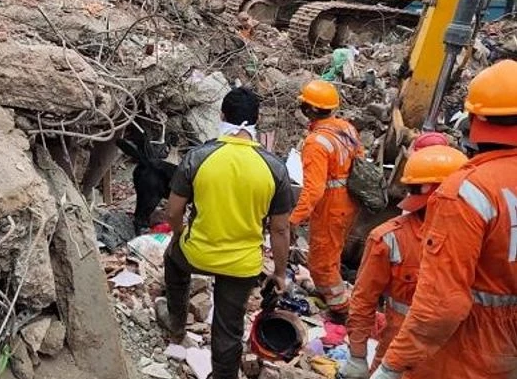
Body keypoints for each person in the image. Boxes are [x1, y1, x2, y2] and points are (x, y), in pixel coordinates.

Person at [371, 59, 517, 379]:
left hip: (462, 353)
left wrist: (392, 365)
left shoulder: (467, 192)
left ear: (475, 119)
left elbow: (442, 306)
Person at [159, 87, 293, 379]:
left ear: (222, 116)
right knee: (228, 327)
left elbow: (173, 212)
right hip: (241, 265)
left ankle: (177, 328)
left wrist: (181, 235)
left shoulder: (198, 157)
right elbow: (280, 228)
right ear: (257, 121)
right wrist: (280, 273)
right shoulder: (275, 168)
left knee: (173, 261)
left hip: (197, 253)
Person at [342, 145, 468, 378]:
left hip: (454, 359)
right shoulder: (389, 238)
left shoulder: (475, 235)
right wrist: (357, 355)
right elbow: (363, 300)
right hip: (398, 356)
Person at [289, 80, 363, 322]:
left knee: (321, 263)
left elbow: (314, 189)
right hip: (349, 204)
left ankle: (344, 312)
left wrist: (293, 219)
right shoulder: (347, 129)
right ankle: (335, 298)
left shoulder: (316, 143)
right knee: (332, 254)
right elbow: (359, 162)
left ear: (308, 109)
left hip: (331, 207)